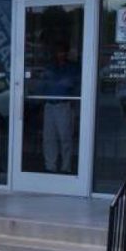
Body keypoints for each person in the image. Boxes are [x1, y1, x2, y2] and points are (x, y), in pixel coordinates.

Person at [40, 40, 80, 173]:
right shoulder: (50, 67)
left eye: (62, 51)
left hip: (64, 105)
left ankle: (66, 167)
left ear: (67, 53)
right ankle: (50, 166)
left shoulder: (72, 68)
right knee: (49, 137)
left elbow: (70, 84)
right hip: (49, 105)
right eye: (58, 52)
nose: (60, 54)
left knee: (65, 137)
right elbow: (43, 84)